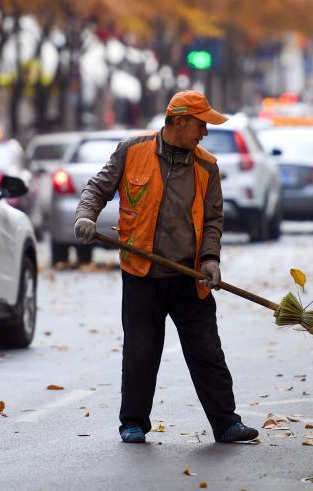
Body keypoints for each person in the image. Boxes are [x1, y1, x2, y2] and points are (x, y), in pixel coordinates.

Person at [72, 90, 259, 445]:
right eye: (201, 124)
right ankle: (133, 423)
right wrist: (85, 215)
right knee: (141, 349)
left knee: (207, 350)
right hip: (142, 272)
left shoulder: (207, 167)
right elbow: (98, 188)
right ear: (181, 121)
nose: (204, 132)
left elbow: (214, 219)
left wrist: (210, 259)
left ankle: (226, 423)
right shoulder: (132, 150)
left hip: (190, 277)